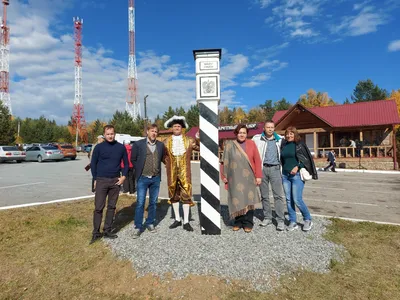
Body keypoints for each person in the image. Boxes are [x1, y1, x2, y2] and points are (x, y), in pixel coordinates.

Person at [90, 125, 128, 244]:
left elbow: (126, 164)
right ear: (104, 134)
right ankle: (96, 233)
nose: (110, 136)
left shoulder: (120, 148)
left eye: (112, 134)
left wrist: (123, 177)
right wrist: (95, 179)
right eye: (108, 134)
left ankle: (107, 230)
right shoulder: (99, 148)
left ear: (114, 134)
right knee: (98, 207)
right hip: (101, 180)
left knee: (111, 207)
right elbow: (93, 164)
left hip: (115, 181)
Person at [221, 124, 262, 233]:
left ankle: (248, 223)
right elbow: (224, 161)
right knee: (237, 199)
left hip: (249, 177)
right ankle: (238, 222)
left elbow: (257, 160)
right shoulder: (230, 145)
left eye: (244, 133)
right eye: (240, 133)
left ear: (247, 134)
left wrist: (258, 176)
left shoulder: (252, 144)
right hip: (235, 178)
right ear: (236, 134)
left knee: (249, 200)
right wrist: (224, 176)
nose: (242, 135)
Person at [163, 115, 199, 232]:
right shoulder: (165, 142)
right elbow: (162, 156)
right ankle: (178, 219)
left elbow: (199, 148)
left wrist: (198, 139)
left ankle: (187, 221)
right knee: (173, 195)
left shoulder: (189, 140)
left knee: (186, 195)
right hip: (171, 173)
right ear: (171, 128)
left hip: (185, 173)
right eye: (175, 126)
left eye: (179, 126)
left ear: (182, 128)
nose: (177, 128)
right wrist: (168, 164)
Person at [131, 124, 165, 238]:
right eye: (152, 131)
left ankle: (150, 222)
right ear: (147, 132)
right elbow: (133, 159)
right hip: (143, 178)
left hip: (155, 179)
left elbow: (163, 158)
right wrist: (139, 169)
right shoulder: (139, 144)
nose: (154, 133)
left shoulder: (160, 145)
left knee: (153, 202)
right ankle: (138, 226)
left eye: (156, 131)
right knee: (140, 203)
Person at [280, 126, 317, 232]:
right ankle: (293, 221)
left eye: (291, 133)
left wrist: (297, 167)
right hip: (285, 175)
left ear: (295, 134)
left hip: (296, 176)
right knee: (288, 199)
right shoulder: (284, 144)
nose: (289, 135)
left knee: (297, 199)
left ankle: (307, 219)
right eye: (287, 133)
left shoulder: (299, 144)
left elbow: (306, 159)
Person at [252, 120, 286, 231]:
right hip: (262, 169)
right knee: (264, 196)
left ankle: (280, 220)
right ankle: (267, 217)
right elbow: (251, 152)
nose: (270, 129)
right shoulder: (257, 139)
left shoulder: (280, 140)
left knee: (278, 196)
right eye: (268, 127)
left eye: (272, 127)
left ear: (274, 128)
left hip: (275, 169)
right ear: (264, 128)